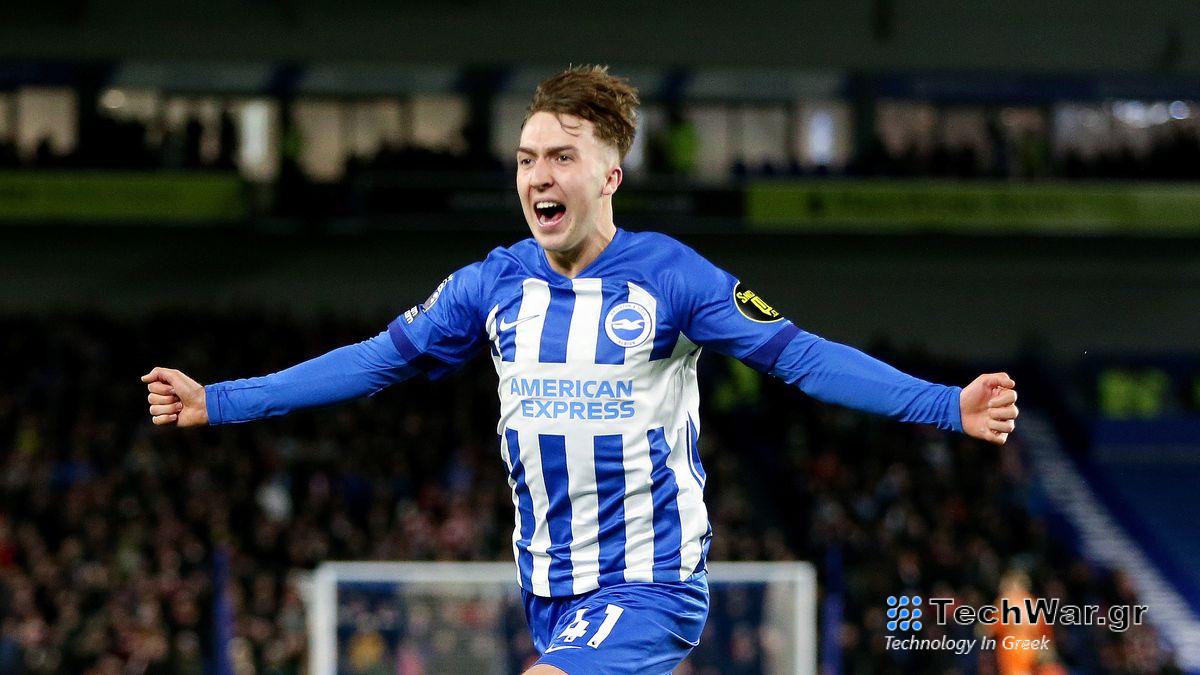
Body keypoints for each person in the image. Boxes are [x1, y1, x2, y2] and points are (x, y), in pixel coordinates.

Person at [142, 65, 1019, 674]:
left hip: (651, 584)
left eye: (560, 157)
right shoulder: (492, 283)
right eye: (526, 159)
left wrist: (947, 404)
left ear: (610, 174)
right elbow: (377, 361)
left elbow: (802, 357)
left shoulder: (673, 278)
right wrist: (220, 400)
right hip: (549, 591)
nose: (537, 176)